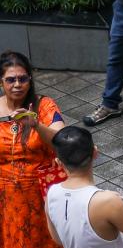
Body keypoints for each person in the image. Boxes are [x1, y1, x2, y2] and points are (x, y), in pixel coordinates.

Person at [45, 126, 123, 247]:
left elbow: (58, 238)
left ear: (59, 162)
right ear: (95, 152)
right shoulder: (108, 201)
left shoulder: (51, 194)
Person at [0, 51, 66, 248]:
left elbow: (61, 140)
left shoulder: (44, 105)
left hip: (41, 193)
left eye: (23, 78)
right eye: (10, 79)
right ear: (1, 81)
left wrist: (37, 125)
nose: (17, 84)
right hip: (5, 196)